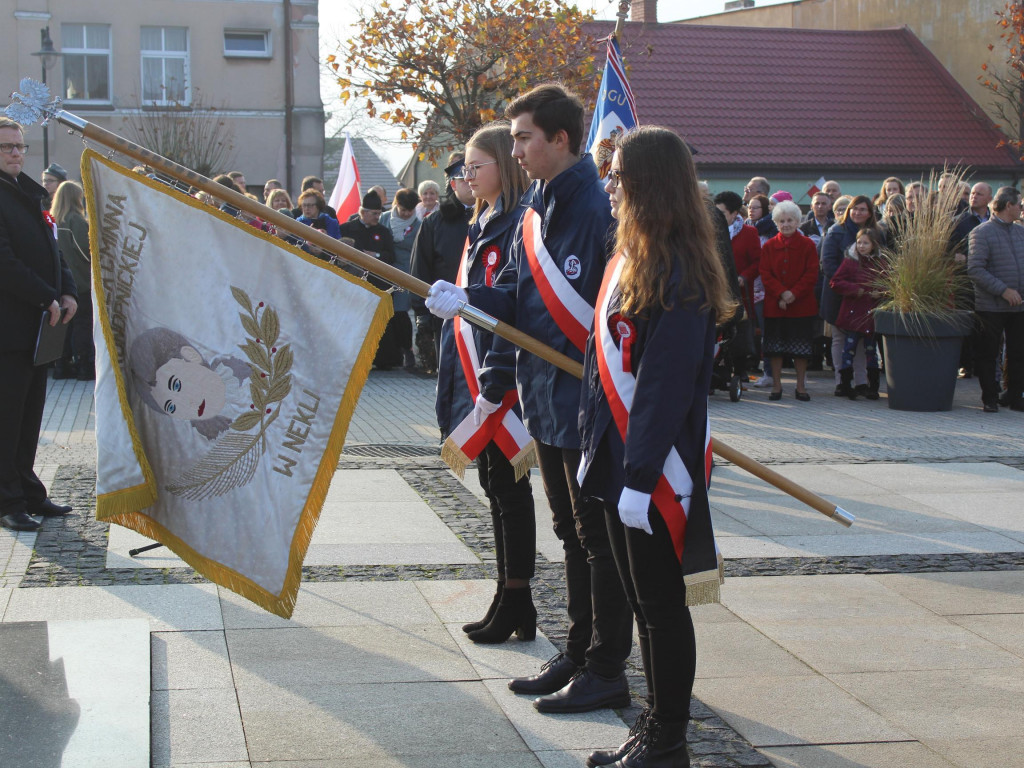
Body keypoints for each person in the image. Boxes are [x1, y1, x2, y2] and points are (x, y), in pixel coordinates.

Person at [425, 83, 633, 715]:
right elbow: (515, 291)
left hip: (586, 399)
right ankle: (578, 649)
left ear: (559, 139)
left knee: (597, 538)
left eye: (523, 138)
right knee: (570, 532)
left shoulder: (595, 211)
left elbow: (609, 307)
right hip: (543, 395)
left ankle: (606, 665)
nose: (515, 151)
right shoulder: (536, 208)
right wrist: (469, 300)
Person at [578, 125, 736, 768]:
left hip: (655, 466)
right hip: (622, 456)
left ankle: (668, 739)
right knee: (645, 606)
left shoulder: (679, 272)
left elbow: (663, 388)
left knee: (662, 608)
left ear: (650, 184)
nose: (610, 186)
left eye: (619, 177)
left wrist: (640, 478)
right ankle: (653, 726)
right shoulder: (633, 258)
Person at [433, 122, 538, 644]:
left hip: (503, 375)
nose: (466, 175)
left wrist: (493, 384)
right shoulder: (483, 221)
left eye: (476, 166)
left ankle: (517, 596)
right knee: (495, 487)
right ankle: (508, 594)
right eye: (463, 168)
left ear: (504, 165)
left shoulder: (517, 222)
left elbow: (510, 311)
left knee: (510, 490)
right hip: (479, 372)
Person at [0, 117, 78, 531]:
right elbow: (5, 262)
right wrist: (45, 296)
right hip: (9, 328)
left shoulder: (28, 193)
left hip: (38, 327)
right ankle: (7, 500)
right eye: (7, 147)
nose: (16, 153)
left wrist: (68, 292)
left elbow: (54, 250)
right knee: (7, 419)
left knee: (29, 417)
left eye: (20, 146)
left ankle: (29, 491)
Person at [410, 157, 475, 373]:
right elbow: (420, 267)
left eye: (474, 175)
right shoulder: (434, 222)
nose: (470, 181)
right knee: (451, 371)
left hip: (484, 306)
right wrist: (422, 312)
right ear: (453, 184)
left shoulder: (494, 216)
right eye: (463, 178)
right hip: (446, 310)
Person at [968, 186, 1024, 412]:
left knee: (1018, 353)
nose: (1021, 208)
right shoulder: (981, 232)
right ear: (1008, 205)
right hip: (991, 306)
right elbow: (975, 269)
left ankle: (1015, 396)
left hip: (1018, 306)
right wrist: (1003, 291)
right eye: (1019, 204)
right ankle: (989, 397)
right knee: (988, 353)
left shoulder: (1020, 232)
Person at [760, 200, 819, 400]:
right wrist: (781, 293)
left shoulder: (807, 245)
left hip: (801, 305)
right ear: (776, 223)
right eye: (782, 221)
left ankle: (800, 386)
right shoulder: (769, 246)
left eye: (790, 220)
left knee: (800, 349)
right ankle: (777, 386)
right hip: (775, 305)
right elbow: (765, 273)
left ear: (797, 221)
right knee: (775, 349)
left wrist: (793, 293)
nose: (786, 224)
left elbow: (811, 273)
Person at [820, 195, 879, 396]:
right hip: (839, 294)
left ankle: (862, 382)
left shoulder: (876, 233)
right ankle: (841, 381)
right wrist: (850, 286)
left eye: (862, 209)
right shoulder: (836, 231)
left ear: (869, 213)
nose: (857, 213)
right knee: (840, 338)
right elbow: (827, 264)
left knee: (863, 339)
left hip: (866, 297)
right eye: (855, 208)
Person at [830, 227, 885, 400]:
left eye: (865, 243)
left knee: (871, 351)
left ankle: (872, 386)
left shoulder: (881, 263)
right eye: (859, 242)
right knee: (849, 350)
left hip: (870, 314)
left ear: (874, 244)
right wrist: (854, 290)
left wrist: (880, 292)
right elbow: (836, 282)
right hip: (853, 314)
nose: (861, 246)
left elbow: (889, 284)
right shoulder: (850, 261)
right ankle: (845, 384)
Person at [51, 181, 95, 381]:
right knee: (82, 325)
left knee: (63, 326)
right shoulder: (75, 220)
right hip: (80, 281)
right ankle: (84, 366)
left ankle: (61, 366)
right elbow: (87, 251)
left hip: (59, 282)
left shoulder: (52, 221)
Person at [380, 188, 422, 369]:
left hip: (406, 274)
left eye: (410, 211)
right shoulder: (384, 219)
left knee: (400, 312)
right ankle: (391, 352)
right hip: (384, 271)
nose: (406, 214)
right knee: (386, 313)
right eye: (403, 210)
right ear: (396, 205)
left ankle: (407, 349)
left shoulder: (419, 225)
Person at [295, 188, 341, 259]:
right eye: (304, 205)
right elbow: (294, 242)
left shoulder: (331, 222)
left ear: (318, 206)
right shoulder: (297, 223)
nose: (306, 208)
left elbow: (339, 245)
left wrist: (326, 238)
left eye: (310, 205)